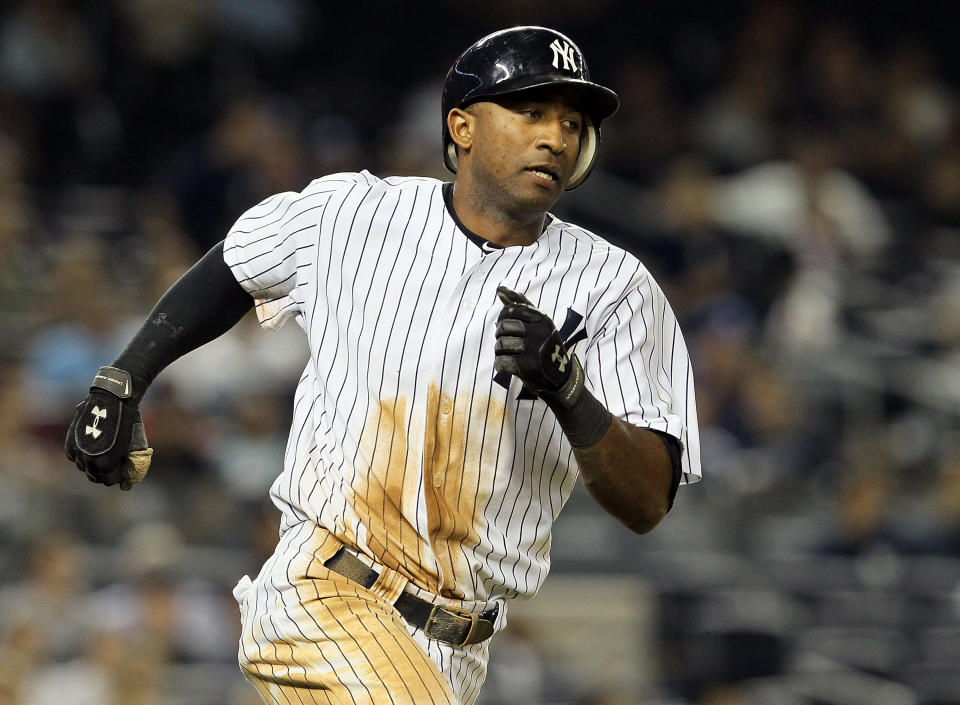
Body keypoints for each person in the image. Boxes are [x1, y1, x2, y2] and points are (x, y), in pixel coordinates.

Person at [65, 26, 702, 705]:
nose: (556, 137)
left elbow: (646, 500)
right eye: (530, 111)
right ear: (461, 126)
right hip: (326, 589)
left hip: (459, 647)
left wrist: (571, 392)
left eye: (573, 123)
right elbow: (235, 262)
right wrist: (123, 377)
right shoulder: (358, 212)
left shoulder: (617, 288)